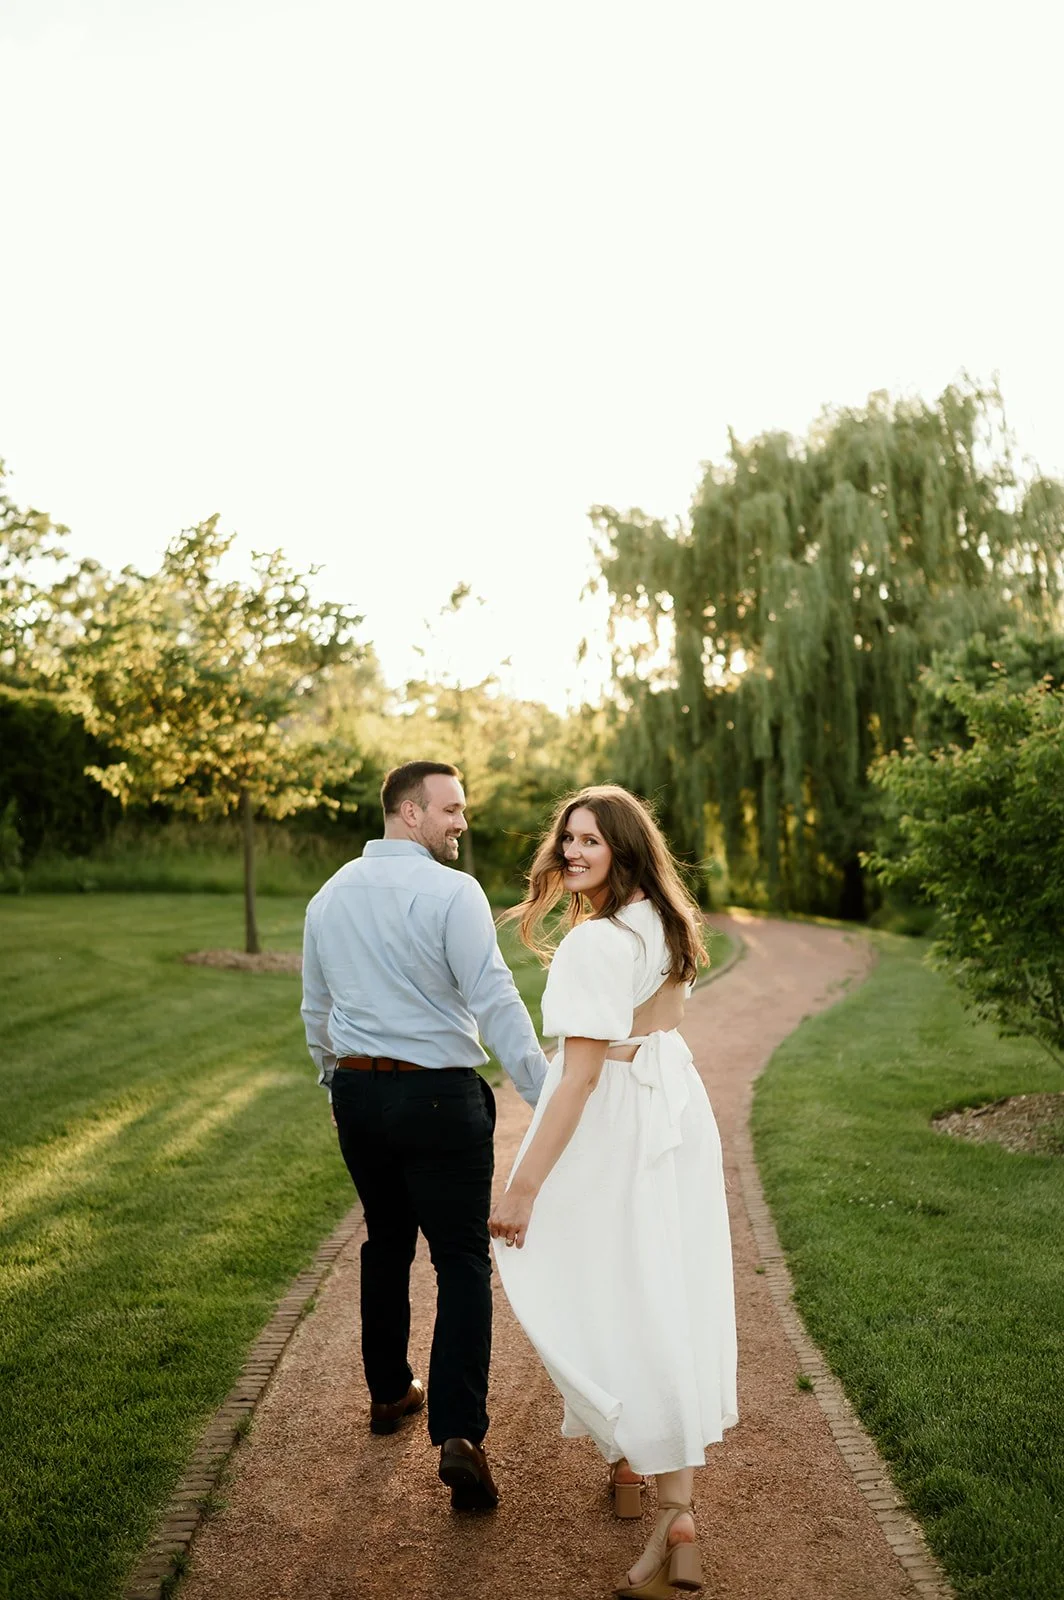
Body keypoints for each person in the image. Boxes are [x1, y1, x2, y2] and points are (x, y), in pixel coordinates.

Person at [488, 785, 737, 1599]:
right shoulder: (664, 923)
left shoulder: (597, 945)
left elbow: (581, 1078)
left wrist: (524, 1185)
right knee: (657, 1283)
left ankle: (663, 1495)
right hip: (671, 1113)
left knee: (596, 1289)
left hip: (621, 1128)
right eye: (567, 839)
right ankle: (657, 1493)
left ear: (625, 847)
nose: (571, 852)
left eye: (590, 840)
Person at [301, 760, 549, 1512]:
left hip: (360, 1092)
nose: (460, 822)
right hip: (438, 1097)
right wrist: (546, 1092)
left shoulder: (329, 894)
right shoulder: (452, 892)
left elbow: (316, 1008)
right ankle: (459, 1434)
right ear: (409, 813)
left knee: (385, 1241)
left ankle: (387, 1394)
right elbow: (494, 995)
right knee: (463, 1259)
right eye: (451, 809)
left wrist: (334, 1083)